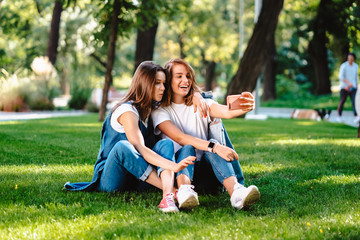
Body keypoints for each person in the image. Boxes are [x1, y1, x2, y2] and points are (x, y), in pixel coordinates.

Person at [64, 61, 196, 213]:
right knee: (123, 147)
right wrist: (172, 166)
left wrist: (197, 96)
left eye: (164, 83)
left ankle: (167, 197)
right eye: (157, 83)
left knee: (165, 144)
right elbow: (140, 148)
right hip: (112, 180)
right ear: (145, 84)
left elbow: (181, 98)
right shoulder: (127, 111)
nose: (163, 88)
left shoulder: (150, 111)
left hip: (137, 178)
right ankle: (175, 191)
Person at [151, 58, 260, 211]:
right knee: (188, 147)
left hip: (209, 173)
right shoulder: (160, 111)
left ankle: (236, 193)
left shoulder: (203, 104)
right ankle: (184, 192)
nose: (185, 80)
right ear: (168, 80)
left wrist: (246, 105)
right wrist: (214, 147)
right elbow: (180, 138)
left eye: (188, 76)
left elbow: (226, 111)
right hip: (181, 173)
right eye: (179, 76)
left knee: (212, 143)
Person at [337, 52, 359, 123]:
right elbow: (341, 77)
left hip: (353, 87)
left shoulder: (356, 66)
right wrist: (348, 83)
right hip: (345, 87)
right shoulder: (344, 66)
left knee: (354, 102)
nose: (350, 60)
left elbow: (356, 77)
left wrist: (356, 85)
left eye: (351, 58)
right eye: (349, 58)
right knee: (342, 101)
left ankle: (356, 116)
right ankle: (339, 115)